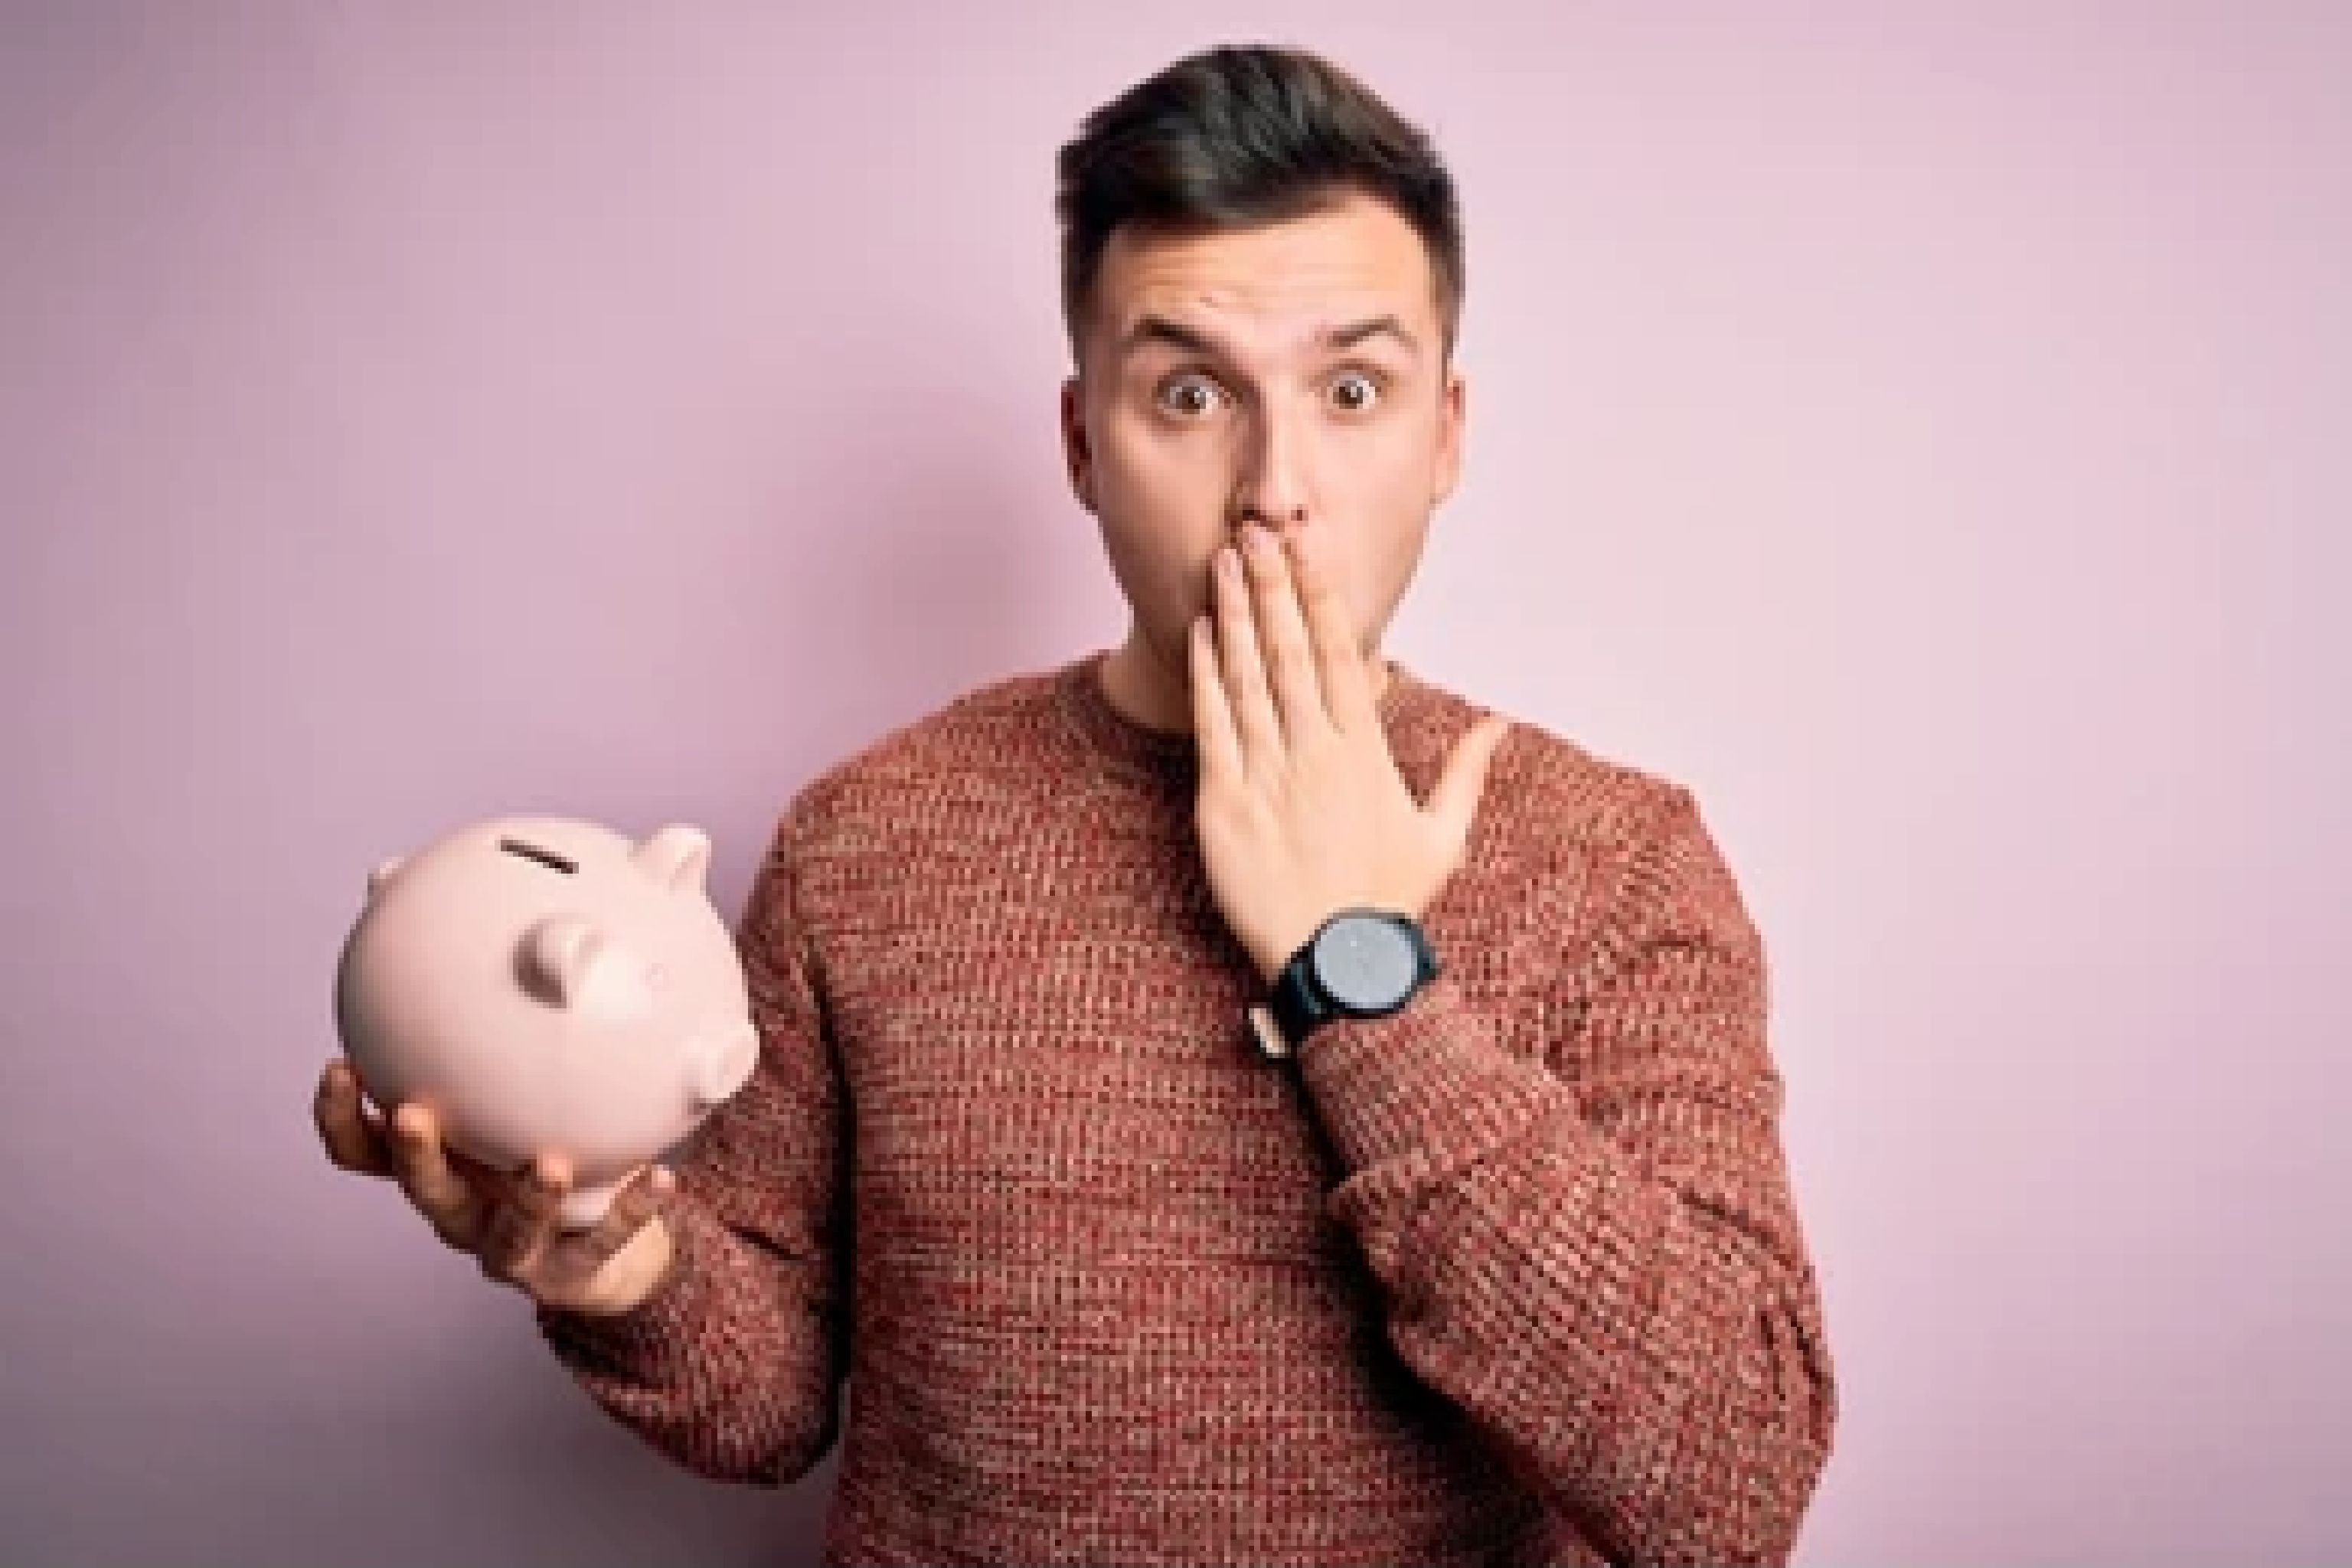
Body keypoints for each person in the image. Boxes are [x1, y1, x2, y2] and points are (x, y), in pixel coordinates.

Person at [314, 43, 1838, 1566]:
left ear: (1443, 434)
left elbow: (1726, 1479)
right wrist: (616, 1263)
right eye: (1189, 392)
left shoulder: (1621, 861)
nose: (1274, 490)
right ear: (1081, 445)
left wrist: (1356, 963)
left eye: (1353, 388)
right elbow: (774, 1395)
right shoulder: (870, 839)